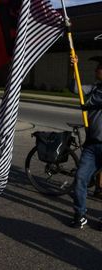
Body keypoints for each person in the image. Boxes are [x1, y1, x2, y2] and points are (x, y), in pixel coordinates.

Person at [70, 55, 102, 228]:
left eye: (99, 67)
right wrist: (73, 68)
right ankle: (79, 214)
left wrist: (89, 106)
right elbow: (75, 88)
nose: (96, 69)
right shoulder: (95, 89)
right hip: (91, 145)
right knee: (80, 178)